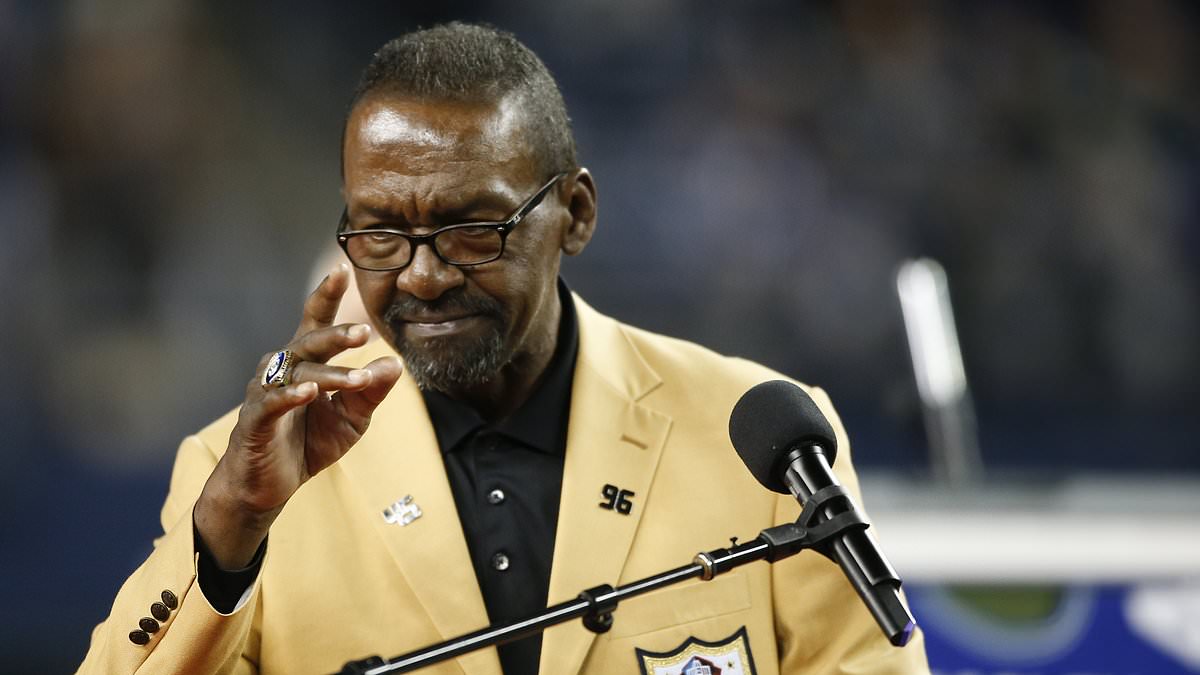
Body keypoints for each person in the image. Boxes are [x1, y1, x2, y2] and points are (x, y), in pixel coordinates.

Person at [77, 22, 929, 675]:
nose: (421, 276)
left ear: (576, 215)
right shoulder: (244, 484)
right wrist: (231, 528)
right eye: (380, 233)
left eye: (471, 228)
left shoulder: (764, 447)